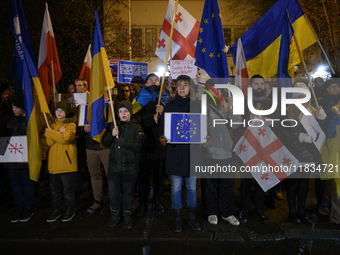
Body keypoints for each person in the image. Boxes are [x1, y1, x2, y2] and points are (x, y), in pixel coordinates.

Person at [159, 75, 201, 232]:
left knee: (191, 187)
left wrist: (206, 136)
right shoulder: (169, 106)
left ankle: (191, 217)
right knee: (175, 188)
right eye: (179, 85)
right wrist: (162, 137)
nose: (182, 87)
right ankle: (177, 217)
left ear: (191, 88)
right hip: (175, 152)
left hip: (193, 153)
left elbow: (204, 127)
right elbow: (163, 128)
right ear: (175, 87)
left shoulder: (197, 106)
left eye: (186, 85)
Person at [281, 82, 326, 223]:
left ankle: (301, 211)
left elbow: (322, 133)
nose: (302, 98)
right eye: (299, 95)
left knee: (304, 184)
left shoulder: (314, 111)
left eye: (305, 95)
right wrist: (299, 136)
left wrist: (322, 118)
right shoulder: (287, 111)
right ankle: (292, 212)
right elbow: (283, 132)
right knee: (293, 184)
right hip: (292, 154)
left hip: (308, 154)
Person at [200, 79, 241, 226]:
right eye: (212, 89)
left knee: (227, 184)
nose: (215, 91)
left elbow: (236, 124)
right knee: (210, 185)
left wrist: (234, 108)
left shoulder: (228, 104)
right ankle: (211, 212)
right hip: (209, 153)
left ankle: (227, 212)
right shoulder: (203, 106)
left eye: (218, 89)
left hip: (227, 153)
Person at [102, 101, 145, 229]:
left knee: (128, 193)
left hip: (129, 168)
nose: (123, 114)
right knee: (114, 193)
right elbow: (104, 143)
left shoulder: (137, 127)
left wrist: (124, 142)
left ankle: (127, 216)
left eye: (126, 111)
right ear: (118, 114)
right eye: (121, 111)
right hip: (114, 168)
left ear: (130, 113)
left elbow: (140, 145)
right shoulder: (114, 127)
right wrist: (111, 135)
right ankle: (115, 215)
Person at [239, 75, 274, 224]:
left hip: (264, 147)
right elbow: (235, 122)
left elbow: (279, 121)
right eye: (256, 83)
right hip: (248, 146)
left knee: (261, 179)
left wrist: (269, 121)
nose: (259, 86)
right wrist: (247, 118)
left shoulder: (271, 102)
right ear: (251, 85)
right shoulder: (244, 102)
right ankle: (244, 210)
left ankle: (259, 210)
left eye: (261, 83)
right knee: (245, 181)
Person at [134, 73, 169, 217]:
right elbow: (134, 118)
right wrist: (150, 118)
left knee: (159, 175)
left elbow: (174, 119)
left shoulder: (166, 99)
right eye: (150, 80)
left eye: (156, 80)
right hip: (145, 143)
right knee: (144, 175)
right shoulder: (138, 100)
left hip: (160, 143)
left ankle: (158, 200)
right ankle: (142, 202)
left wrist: (164, 111)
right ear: (145, 83)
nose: (153, 81)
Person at [41, 101, 78, 223]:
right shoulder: (50, 123)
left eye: (61, 110)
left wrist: (50, 133)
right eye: (57, 110)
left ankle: (70, 209)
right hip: (53, 164)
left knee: (68, 190)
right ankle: (56, 209)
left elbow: (66, 139)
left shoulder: (71, 124)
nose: (58, 112)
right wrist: (57, 134)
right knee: (55, 190)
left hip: (66, 163)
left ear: (66, 112)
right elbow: (46, 142)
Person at [4, 95, 35, 223]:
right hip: (12, 160)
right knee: (16, 186)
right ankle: (19, 207)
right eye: (13, 107)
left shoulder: (28, 121)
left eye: (17, 107)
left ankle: (29, 207)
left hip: (25, 160)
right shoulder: (10, 122)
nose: (14, 110)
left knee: (27, 185)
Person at [320, 79, 340, 224]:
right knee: (337, 184)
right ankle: (336, 217)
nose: (335, 88)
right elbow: (328, 128)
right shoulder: (325, 104)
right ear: (326, 89)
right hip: (334, 145)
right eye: (331, 86)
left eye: (336, 85)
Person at [79, 124, 110, 213]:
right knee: (94, 175)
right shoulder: (85, 111)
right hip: (90, 147)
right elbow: (80, 129)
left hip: (105, 146)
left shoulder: (106, 109)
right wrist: (84, 129)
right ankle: (97, 200)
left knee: (111, 175)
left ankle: (115, 201)